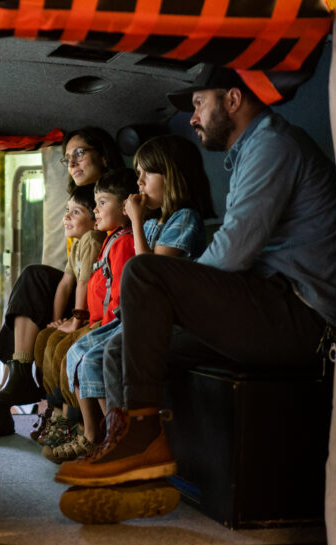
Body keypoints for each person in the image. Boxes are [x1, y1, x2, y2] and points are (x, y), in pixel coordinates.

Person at [55, 66, 336, 499]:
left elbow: (233, 253)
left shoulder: (273, 145)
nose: (193, 117)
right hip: (267, 302)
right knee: (116, 350)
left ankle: (142, 440)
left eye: (198, 104)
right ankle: (134, 471)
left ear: (233, 100)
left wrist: (176, 293)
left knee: (145, 271)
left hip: (303, 316)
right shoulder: (249, 153)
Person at [43, 135, 214, 463]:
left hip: (168, 317)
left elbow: (148, 272)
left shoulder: (184, 220)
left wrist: (135, 220)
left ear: (170, 176)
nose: (139, 183)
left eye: (146, 175)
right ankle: (99, 436)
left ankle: (117, 439)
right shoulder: (152, 223)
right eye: (136, 175)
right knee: (81, 350)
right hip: (138, 314)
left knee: (100, 357)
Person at [0, 127, 122, 437]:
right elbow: (70, 275)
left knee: (35, 276)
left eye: (79, 154)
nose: (72, 163)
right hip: (82, 285)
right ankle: (17, 376)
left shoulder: (114, 196)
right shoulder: (77, 206)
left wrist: (76, 316)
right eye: (66, 158)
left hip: (101, 289)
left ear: (103, 156)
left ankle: (20, 379)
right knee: (34, 280)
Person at [36, 167, 138, 458]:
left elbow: (118, 294)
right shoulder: (109, 239)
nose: (97, 210)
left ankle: (97, 432)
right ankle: (81, 425)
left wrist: (88, 322)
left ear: (125, 205)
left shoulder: (123, 242)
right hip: (99, 321)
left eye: (102, 203)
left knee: (79, 352)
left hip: (109, 323)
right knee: (64, 347)